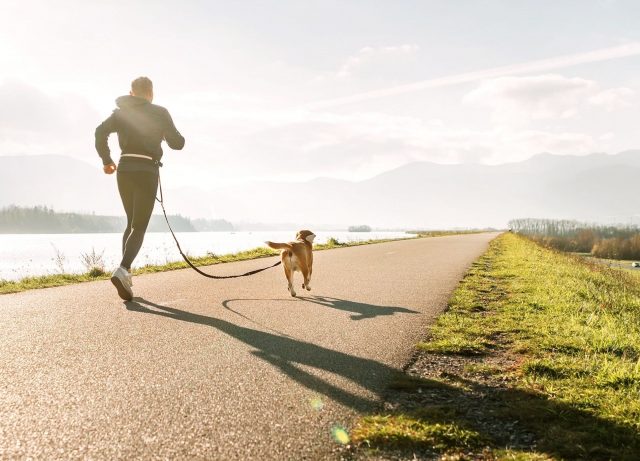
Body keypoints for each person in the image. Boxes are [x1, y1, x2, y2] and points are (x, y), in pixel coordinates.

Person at [95, 77, 185, 300]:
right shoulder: (160, 112)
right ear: (151, 93)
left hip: (124, 168)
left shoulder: (121, 112)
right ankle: (123, 269)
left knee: (131, 222)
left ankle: (126, 274)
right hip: (146, 169)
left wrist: (107, 160)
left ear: (131, 93)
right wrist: (165, 134)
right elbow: (178, 143)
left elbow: (99, 132)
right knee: (140, 225)